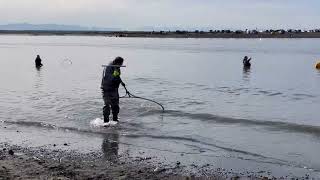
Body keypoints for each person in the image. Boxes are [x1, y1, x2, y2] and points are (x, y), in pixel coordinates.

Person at [101, 57, 125, 126]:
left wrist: (121, 82)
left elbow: (117, 76)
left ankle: (115, 120)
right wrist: (115, 71)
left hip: (114, 89)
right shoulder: (108, 68)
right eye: (120, 64)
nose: (121, 65)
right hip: (106, 89)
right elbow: (110, 78)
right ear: (117, 62)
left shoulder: (117, 67)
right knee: (107, 105)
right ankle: (105, 123)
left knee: (115, 105)